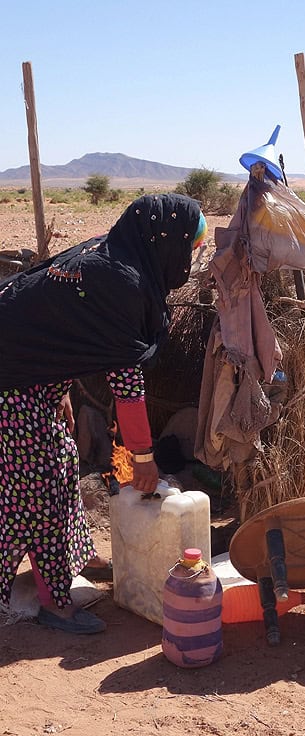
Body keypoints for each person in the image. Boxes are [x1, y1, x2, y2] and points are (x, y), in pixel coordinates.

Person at [0, 193, 207, 634]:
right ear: (165, 240)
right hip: (9, 387)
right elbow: (125, 381)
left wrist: (60, 391)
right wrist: (143, 458)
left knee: (57, 466)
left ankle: (73, 555)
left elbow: (61, 326)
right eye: (192, 247)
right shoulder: (122, 283)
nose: (194, 256)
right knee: (36, 490)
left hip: (25, 375)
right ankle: (55, 603)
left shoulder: (112, 254)